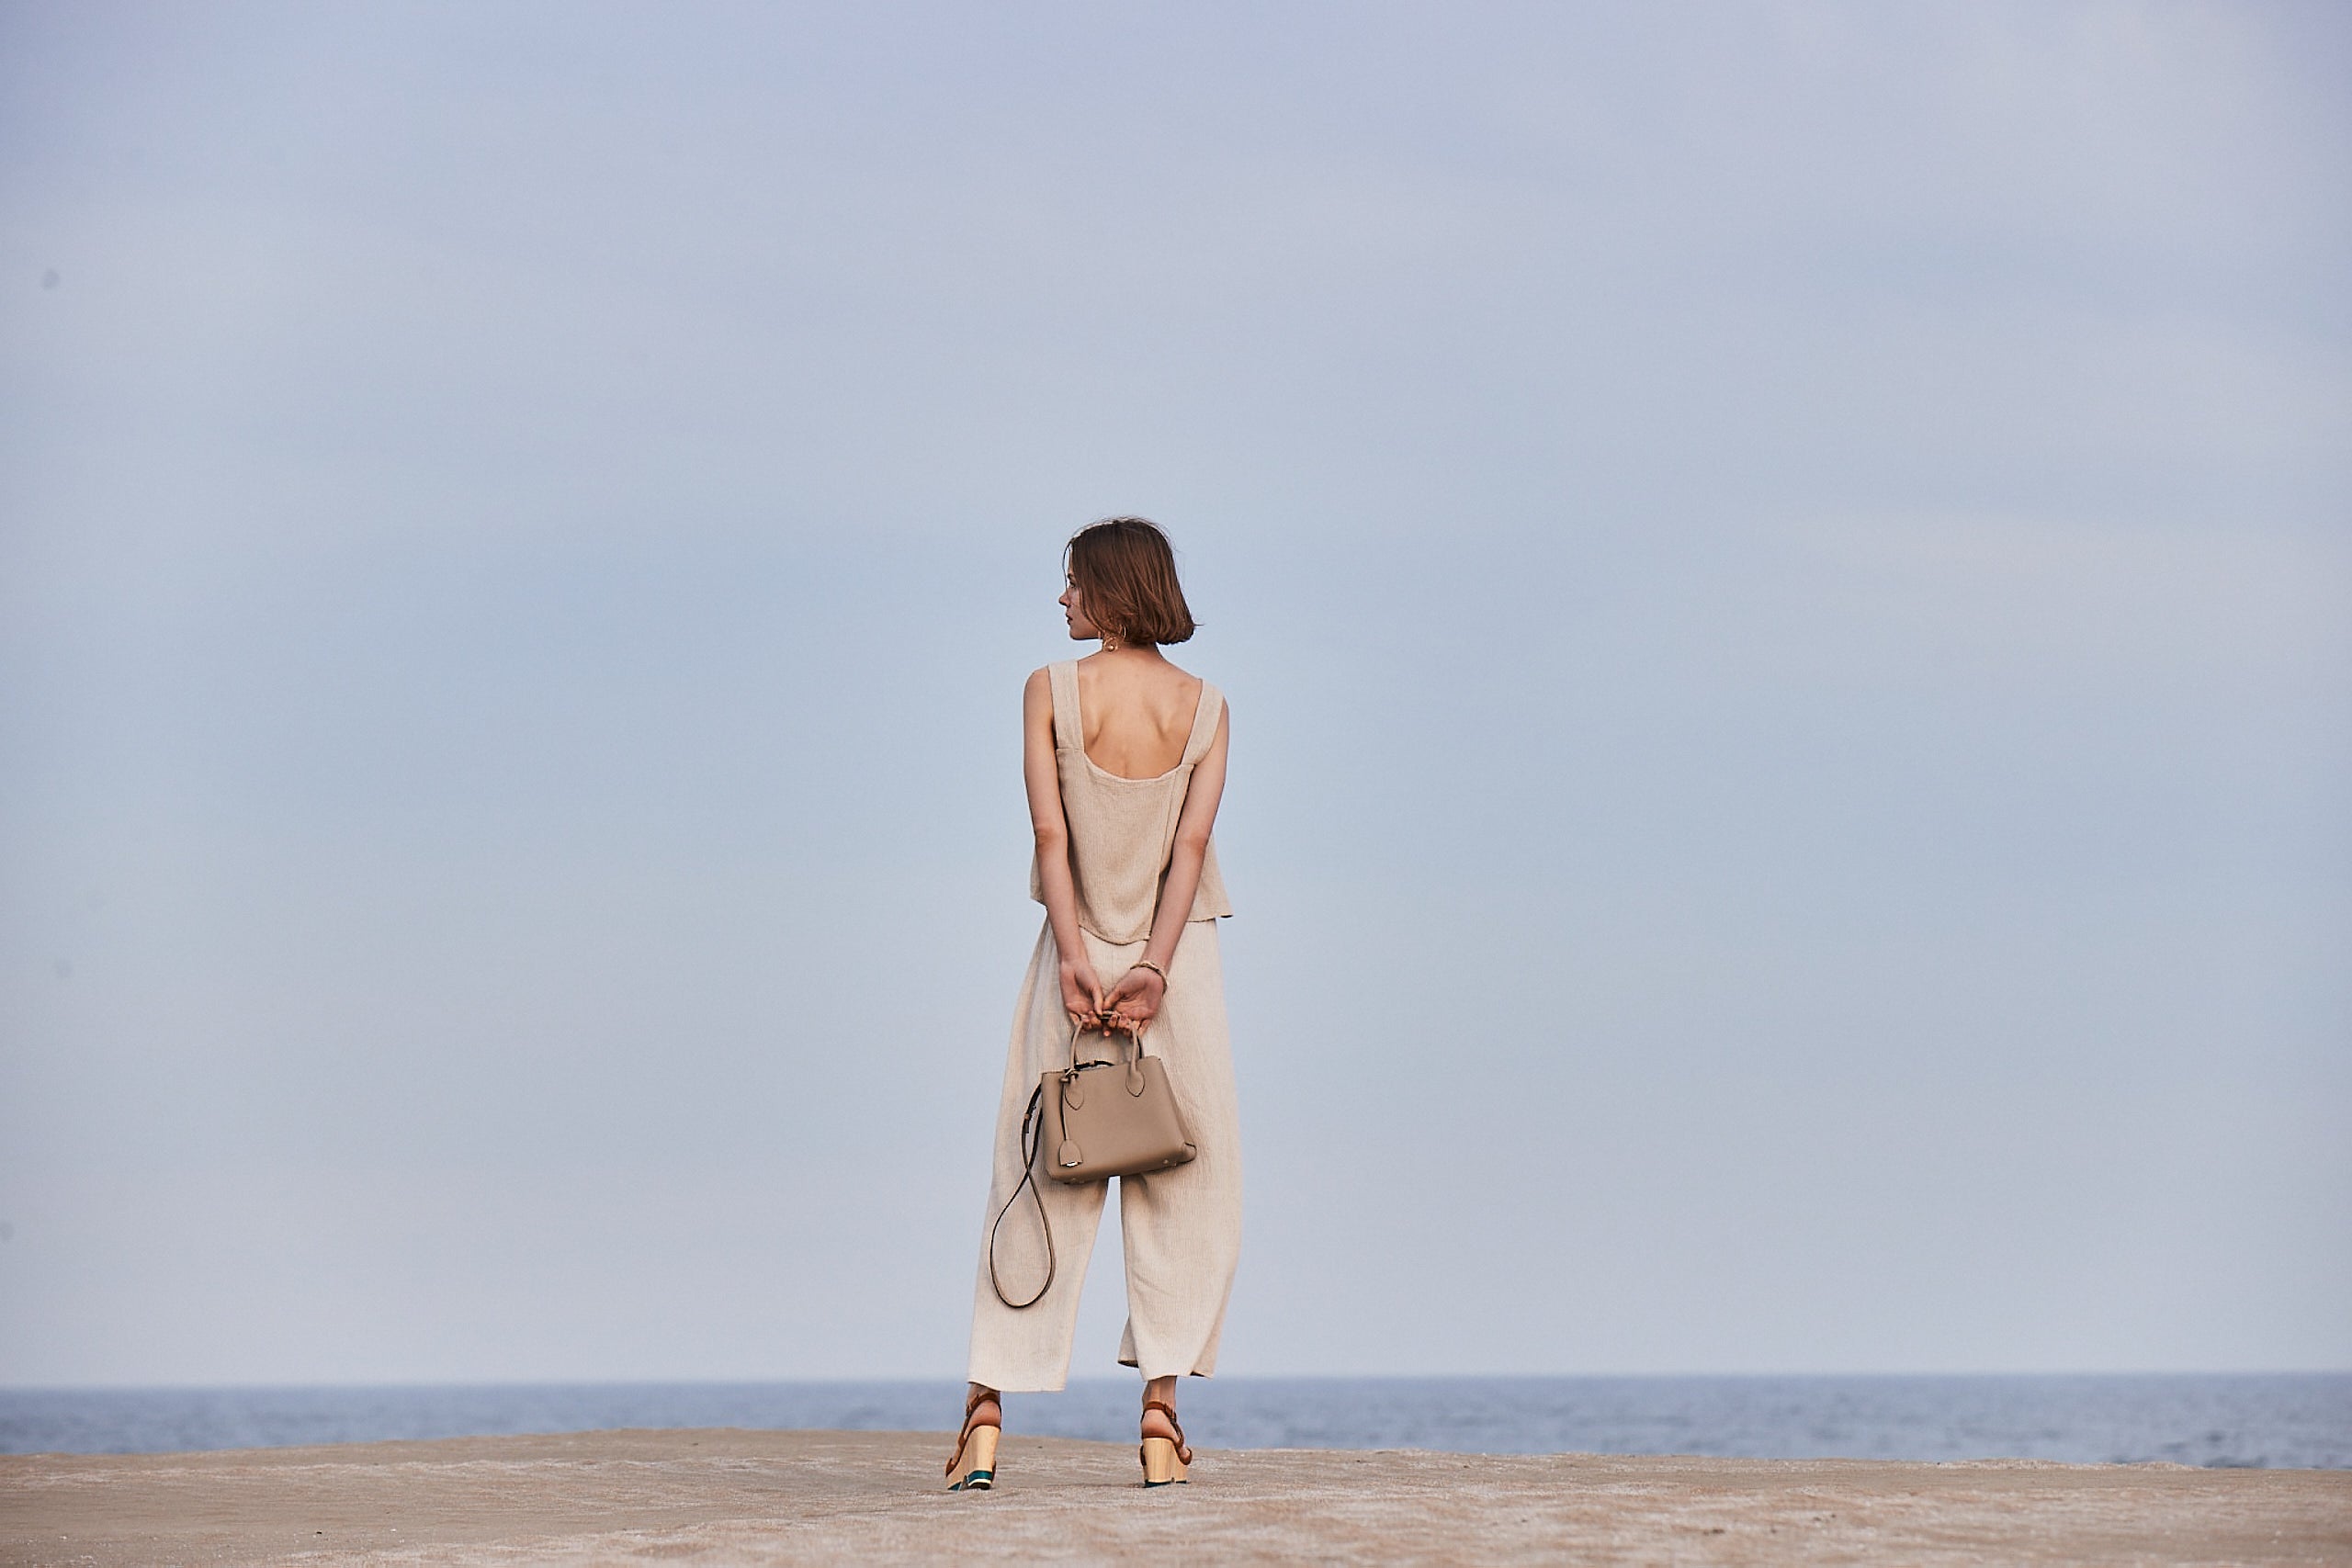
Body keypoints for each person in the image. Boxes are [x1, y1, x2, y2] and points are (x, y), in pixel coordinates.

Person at [945, 516, 1242, 1491]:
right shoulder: (1205, 710)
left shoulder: (1048, 693)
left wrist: (1077, 959)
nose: (1062, 599)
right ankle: (1160, 1417)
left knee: (1036, 1168)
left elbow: (1047, 834)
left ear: (1112, 593)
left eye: (1072, 584)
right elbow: (1189, 852)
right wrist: (1150, 969)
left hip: (1070, 958)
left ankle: (985, 1413)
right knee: (1184, 1184)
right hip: (1176, 965)